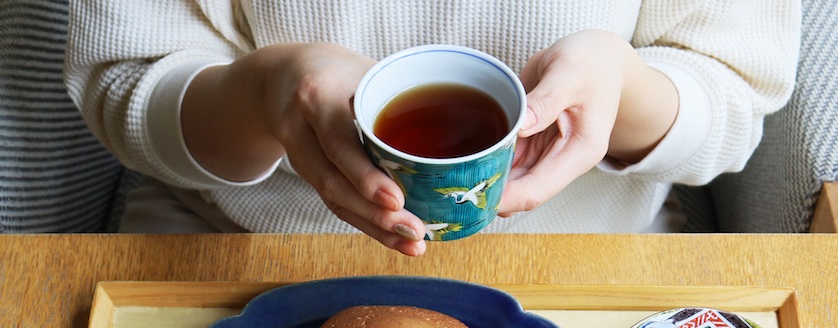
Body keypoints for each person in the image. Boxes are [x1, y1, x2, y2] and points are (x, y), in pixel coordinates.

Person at [65, 1, 799, 256]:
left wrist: (624, 86)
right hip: (244, 253)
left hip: (587, 268)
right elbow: (122, 81)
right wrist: (266, 94)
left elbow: (733, 99)